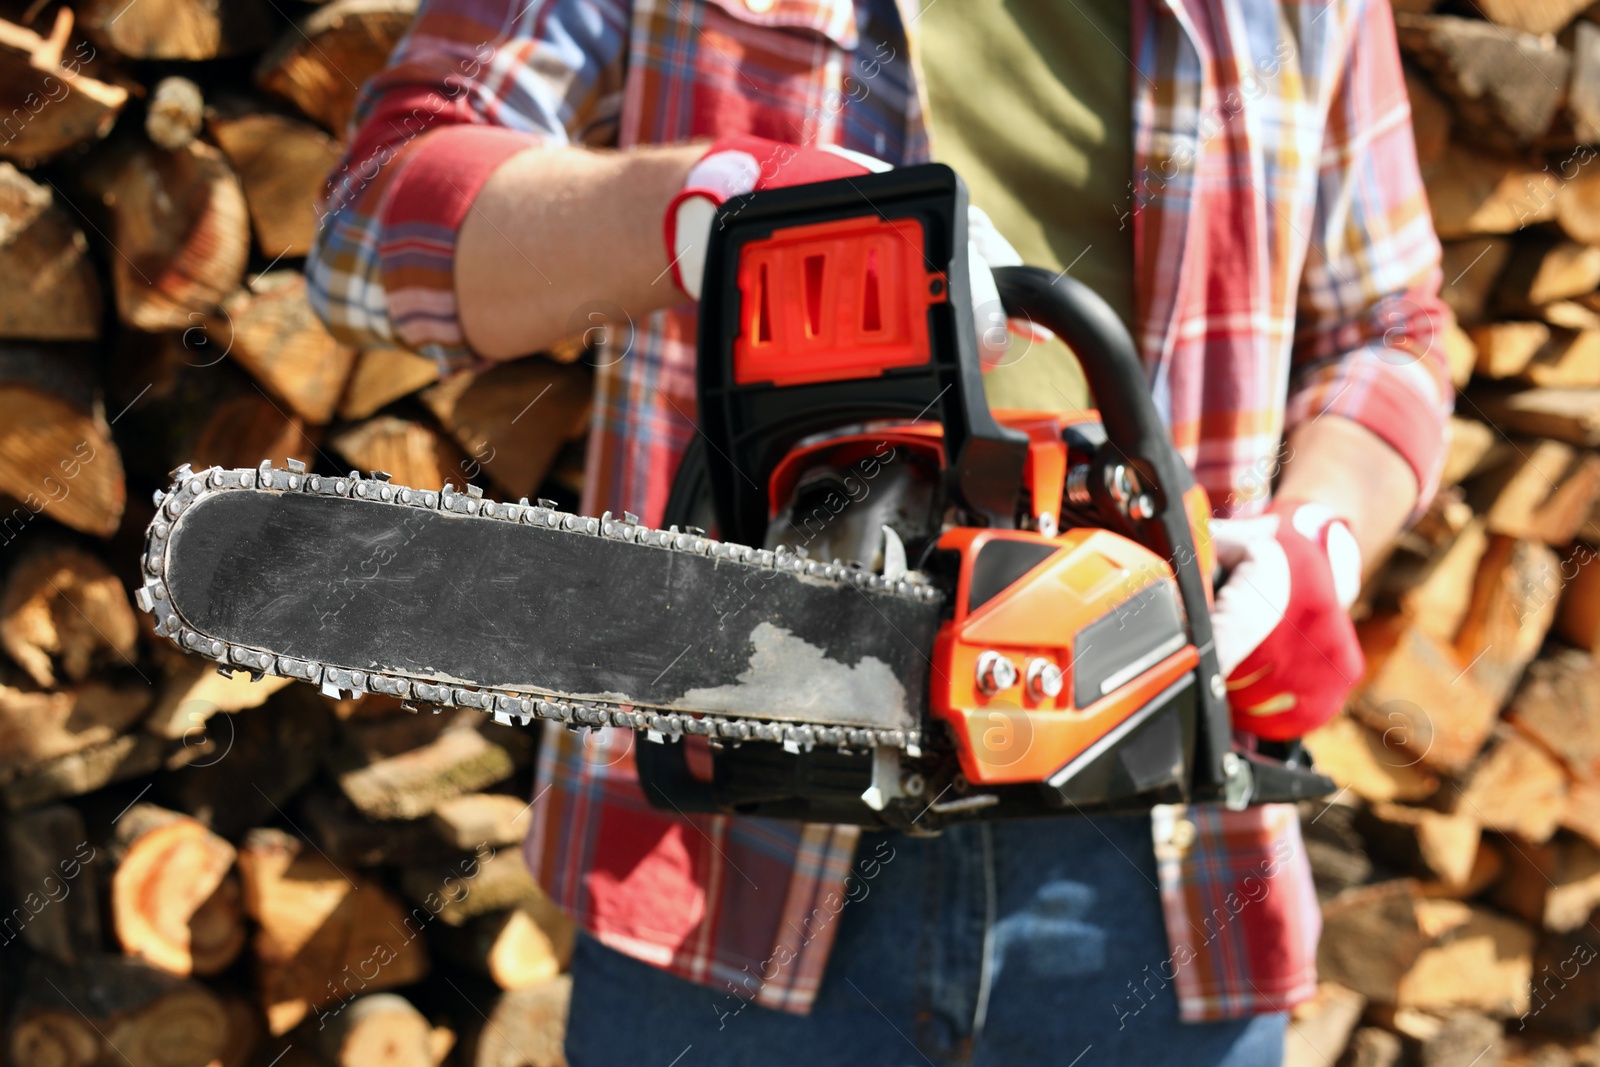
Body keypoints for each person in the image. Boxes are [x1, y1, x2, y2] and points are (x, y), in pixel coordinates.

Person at [307, 2, 1453, 1063]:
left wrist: (1323, 535)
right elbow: (378, 210)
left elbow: (1391, 325)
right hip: (738, 858)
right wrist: (711, 206)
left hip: (1158, 863)